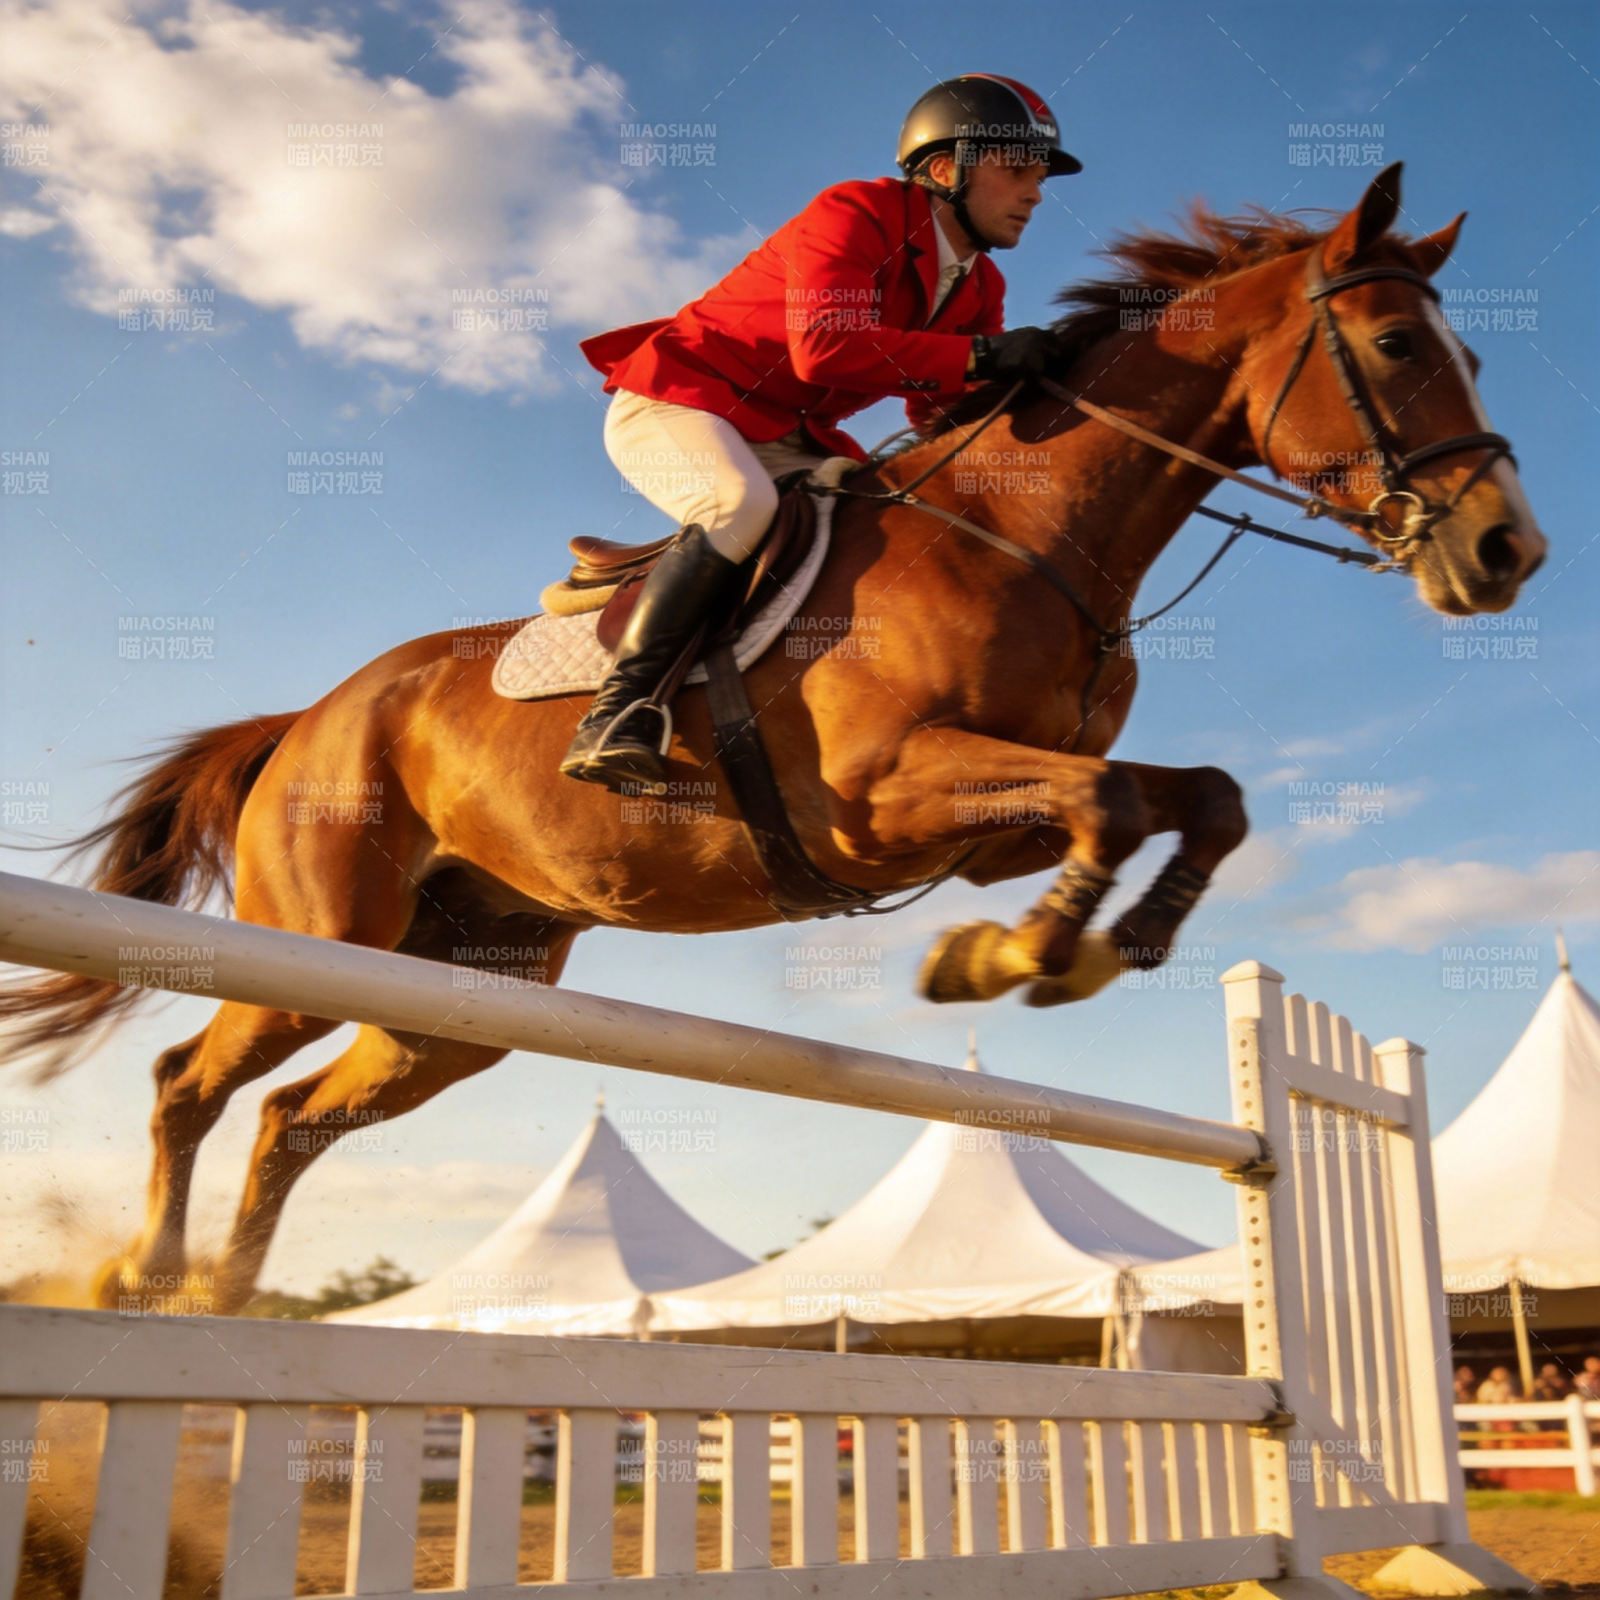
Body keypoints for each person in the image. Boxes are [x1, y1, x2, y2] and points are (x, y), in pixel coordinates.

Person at [565, 75, 1082, 793]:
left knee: (895, 523)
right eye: (1017, 170)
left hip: (789, 433)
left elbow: (939, 413)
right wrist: (984, 357)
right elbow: (828, 347)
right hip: (681, 399)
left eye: (1039, 177)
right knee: (737, 508)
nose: (1035, 193)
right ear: (944, 169)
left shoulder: (979, 286)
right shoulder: (857, 211)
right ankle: (619, 712)